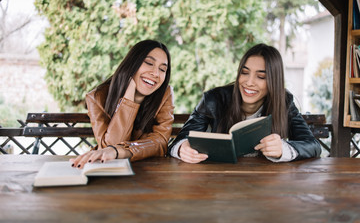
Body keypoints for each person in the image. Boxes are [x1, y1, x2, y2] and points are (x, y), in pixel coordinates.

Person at [168, 43, 321, 163]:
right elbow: (180, 141)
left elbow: (313, 145)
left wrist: (283, 149)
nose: (249, 82)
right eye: (244, 72)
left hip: (266, 182)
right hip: (217, 180)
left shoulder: (284, 102)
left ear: (273, 82)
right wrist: (183, 148)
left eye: (261, 77)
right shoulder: (214, 99)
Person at [71, 39, 174, 168]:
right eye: (148, 63)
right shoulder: (97, 98)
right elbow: (110, 146)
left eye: (162, 69)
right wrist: (128, 100)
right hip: (111, 172)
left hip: (151, 170)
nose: (156, 73)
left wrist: (123, 151)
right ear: (132, 63)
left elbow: (160, 142)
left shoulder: (165, 94)